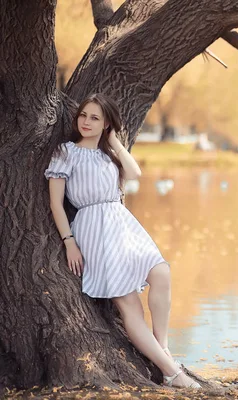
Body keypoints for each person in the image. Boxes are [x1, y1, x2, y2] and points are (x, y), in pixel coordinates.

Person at [45, 93, 200, 389]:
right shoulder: (65, 152)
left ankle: (162, 346)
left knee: (161, 272)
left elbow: (134, 172)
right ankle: (171, 372)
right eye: (83, 115)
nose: (86, 122)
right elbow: (56, 204)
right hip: (93, 227)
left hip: (122, 223)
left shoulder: (109, 154)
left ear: (106, 125)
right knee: (129, 303)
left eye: (95, 118)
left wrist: (114, 141)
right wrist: (69, 242)